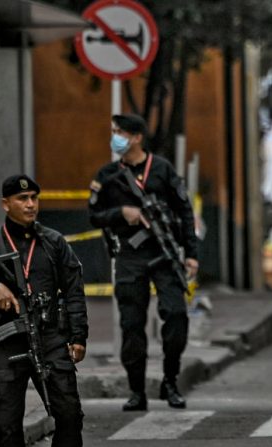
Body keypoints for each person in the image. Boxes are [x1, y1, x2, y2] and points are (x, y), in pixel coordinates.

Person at [0, 175, 88, 446]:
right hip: (5, 340)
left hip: (49, 337)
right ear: (6, 204)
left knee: (70, 415)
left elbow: (73, 290)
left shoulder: (53, 243)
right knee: (5, 426)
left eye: (34, 198)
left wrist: (78, 336)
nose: (30, 205)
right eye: (22, 199)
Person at [88, 113, 198, 411]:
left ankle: (170, 381)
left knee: (176, 315)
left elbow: (185, 212)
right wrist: (121, 213)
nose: (115, 138)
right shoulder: (107, 176)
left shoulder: (162, 170)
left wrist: (191, 254)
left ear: (137, 137)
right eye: (114, 132)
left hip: (163, 254)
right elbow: (94, 214)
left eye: (120, 132)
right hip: (129, 256)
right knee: (132, 324)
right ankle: (137, 391)